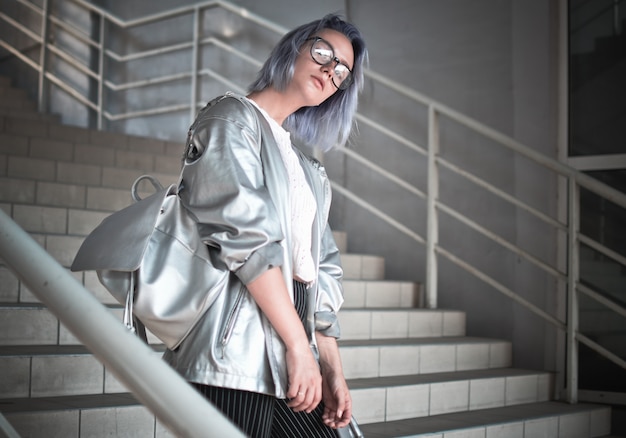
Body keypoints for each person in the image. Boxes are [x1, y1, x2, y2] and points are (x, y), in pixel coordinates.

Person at [162, 13, 368, 438]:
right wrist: (298, 345)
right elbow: (246, 238)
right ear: (293, 48)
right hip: (232, 349)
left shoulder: (309, 169)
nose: (331, 71)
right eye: (323, 52)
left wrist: (330, 367)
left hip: (293, 340)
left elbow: (322, 272)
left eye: (342, 71)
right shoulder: (229, 119)